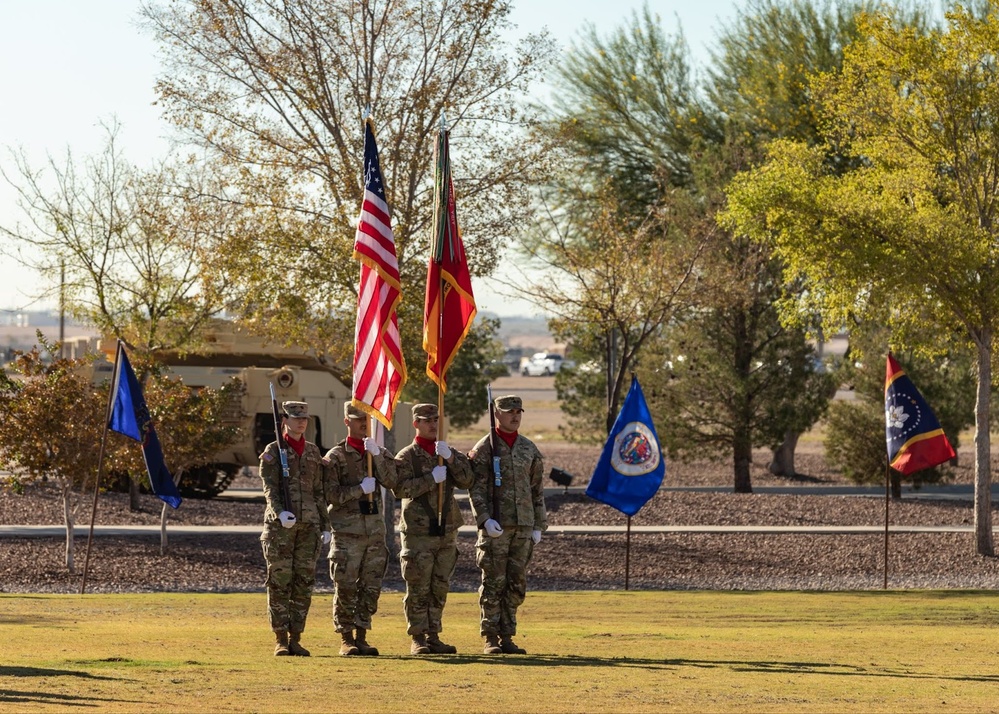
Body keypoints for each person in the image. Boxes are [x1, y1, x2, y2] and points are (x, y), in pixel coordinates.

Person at [391, 403, 474, 655]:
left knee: (439, 584)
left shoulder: (446, 452)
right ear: (415, 423)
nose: (432, 424)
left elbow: (468, 480)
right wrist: (430, 480)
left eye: (435, 419)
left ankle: (434, 634)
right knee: (418, 585)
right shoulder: (407, 456)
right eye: (426, 420)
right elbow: (399, 488)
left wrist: (450, 459)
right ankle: (417, 637)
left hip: (446, 528)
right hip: (418, 531)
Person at [468, 394, 547, 655]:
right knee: (493, 582)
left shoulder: (528, 449)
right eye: (509, 411)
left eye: (518, 412)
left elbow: (536, 490)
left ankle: (508, 636)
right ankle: (490, 636)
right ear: (496, 415)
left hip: (523, 526)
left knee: (516, 583)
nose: (515, 416)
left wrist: (538, 524)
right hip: (497, 526)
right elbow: (476, 489)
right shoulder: (485, 448)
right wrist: (484, 519)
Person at [323, 402, 398, 657]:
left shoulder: (377, 452)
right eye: (358, 420)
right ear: (347, 422)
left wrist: (376, 455)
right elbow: (330, 494)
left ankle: (362, 635)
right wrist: (359, 490)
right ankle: (346, 638)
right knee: (345, 585)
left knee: (370, 586)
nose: (364, 424)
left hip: (374, 533)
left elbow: (392, 481)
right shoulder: (335, 456)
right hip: (347, 533)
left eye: (367, 419)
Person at [259, 400, 331, 657]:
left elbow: (319, 491)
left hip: (309, 527)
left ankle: (296, 637)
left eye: (304, 418)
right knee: (280, 582)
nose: (301, 421)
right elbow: (270, 488)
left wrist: (325, 525)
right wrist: (279, 512)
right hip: (281, 528)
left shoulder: (313, 452)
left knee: (303, 582)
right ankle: (280, 638)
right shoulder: (273, 450)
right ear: (285, 421)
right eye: (295, 417)